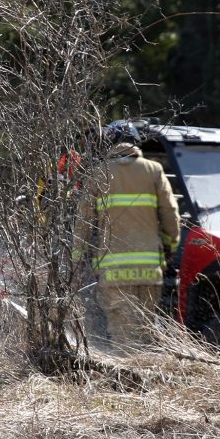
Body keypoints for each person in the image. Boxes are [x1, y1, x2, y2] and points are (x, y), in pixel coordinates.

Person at [80, 120, 180, 353]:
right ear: (135, 142)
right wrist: (169, 247)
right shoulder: (154, 171)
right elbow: (171, 215)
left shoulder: (99, 173)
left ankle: (127, 384)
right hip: (149, 269)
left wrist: (78, 258)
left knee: (122, 334)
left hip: (113, 271)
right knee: (146, 329)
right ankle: (148, 383)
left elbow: (82, 223)